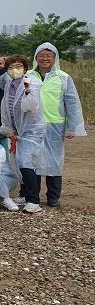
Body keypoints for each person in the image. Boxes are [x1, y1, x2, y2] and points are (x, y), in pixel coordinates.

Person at [25, 43, 87, 207]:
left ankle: (53, 196)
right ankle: (32, 196)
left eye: (49, 56)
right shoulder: (28, 76)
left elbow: (72, 103)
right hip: (32, 125)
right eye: (41, 55)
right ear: (36, 57)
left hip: (55, 125)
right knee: (32, 160)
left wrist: (72, 127)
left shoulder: (63, 77)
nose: (45, 59)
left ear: (54, 58)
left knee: (54, 160)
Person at [0, 55, 45, 213]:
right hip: (17, 131)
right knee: (20, 162)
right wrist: (8, 129)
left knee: (27, 163)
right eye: (11, 67)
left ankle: (34, 200)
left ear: (25, 68)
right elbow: (5, 109)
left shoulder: (32, 83)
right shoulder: (9, 85)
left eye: (18, 66)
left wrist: (27, 91)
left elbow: (31, 107)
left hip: (32, 131)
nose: (15, 70)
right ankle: (26, 195)